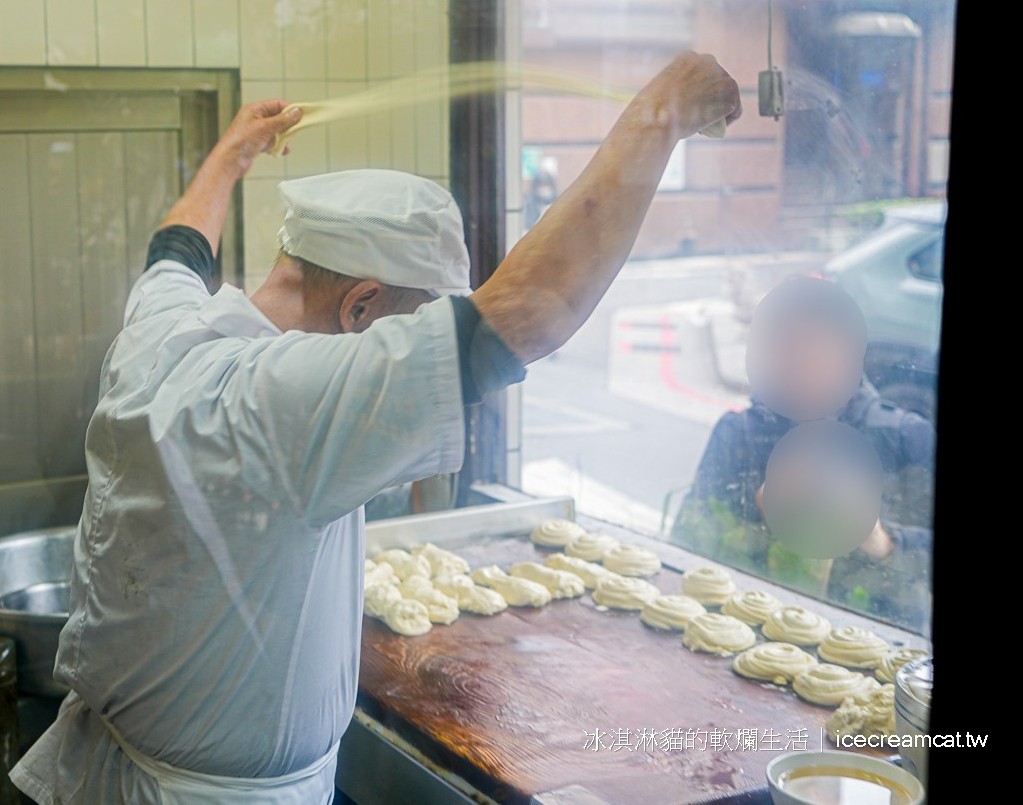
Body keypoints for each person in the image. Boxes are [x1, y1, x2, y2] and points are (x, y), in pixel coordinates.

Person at [10, 52, 741, 803]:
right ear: (360, 308)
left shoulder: (165, 331)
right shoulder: (276, 401)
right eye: (406, 325)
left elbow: (174, 248)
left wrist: (233, 155)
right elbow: (535, 307)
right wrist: (664, 113)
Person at [671, 277, 935, 633]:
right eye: (784, 347)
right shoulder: (738, 435)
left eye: (816, 347)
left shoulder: (906, 440)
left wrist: (882, 541)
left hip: (872, 649)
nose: (798, 363)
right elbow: (686, 545)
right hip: (746, 634)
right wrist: (754, 511)